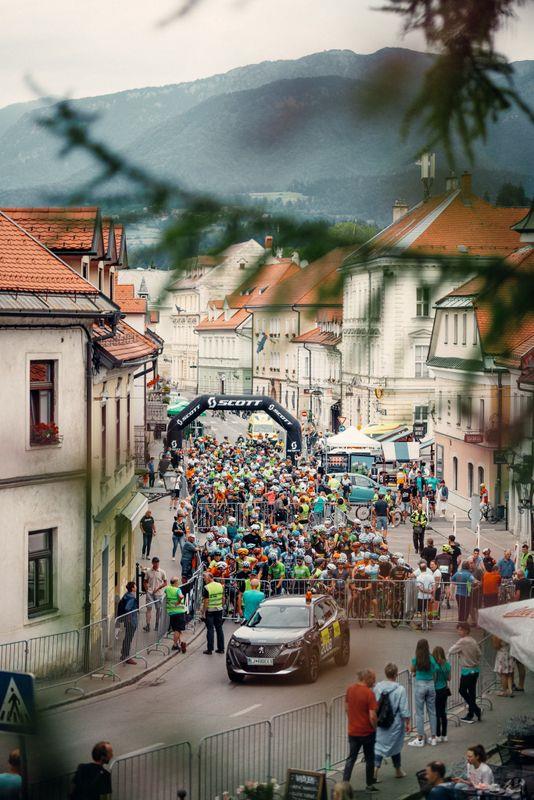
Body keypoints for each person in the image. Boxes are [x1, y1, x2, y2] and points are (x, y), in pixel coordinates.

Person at [373, 663, 410, 782]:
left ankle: (375, 770)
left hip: (380, 721)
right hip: (395, 722)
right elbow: (404, 709)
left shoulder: (378, 687)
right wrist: (407, 722)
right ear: (396, 674)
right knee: (396, 746)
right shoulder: (400, 689)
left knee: (379, 747)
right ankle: (398, 770)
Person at [342, 669, 378, 792]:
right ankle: (369, 785)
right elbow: (372, 716)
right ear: (367, 678)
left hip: (353, 732)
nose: (374, 682)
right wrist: (375, 727)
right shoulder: (369, 693)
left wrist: (352, 721)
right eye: (373, 679)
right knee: (369, 758)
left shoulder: (350, 689)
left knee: (351, 758)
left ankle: (344, 785)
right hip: (367, 733)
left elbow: (346, 708)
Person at [448, 623, 481, 723]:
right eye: (458, 629)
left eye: (460, 629)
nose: (459, 632)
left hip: (467, 671)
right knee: (471, 692)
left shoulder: (462, 641)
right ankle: (471, 713)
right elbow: (479, 653)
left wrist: (461, 652)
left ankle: (475, 709)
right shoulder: (473, 640)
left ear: (466, 630)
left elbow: (451, 650)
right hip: (475, 670)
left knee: (462, 690)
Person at [409, 639, 438, 747]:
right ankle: (433, 738)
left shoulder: (416, 659)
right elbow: (435, 670)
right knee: (432, 712)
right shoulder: (431, 658)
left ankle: (420, 738)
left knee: (419, 713)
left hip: (420, 685)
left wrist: (416, 672)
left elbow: (412, 669)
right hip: (430, 684)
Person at [202, 572, 224, 655]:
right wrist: (221, 606)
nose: (204, 580)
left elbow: (206, 601)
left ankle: (210, 649)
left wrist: (203, 612)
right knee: (219, 629)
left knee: (210, 630)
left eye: (205, 578)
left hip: (210, 611)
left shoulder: (207, 587)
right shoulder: (220, 585)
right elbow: (223, 598)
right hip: (219, 609)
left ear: (209, 578)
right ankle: (221, 648)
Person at [143, 557, 167, 632]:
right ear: (152, 563)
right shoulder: (148, 572)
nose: (156, 564)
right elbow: (145, 581)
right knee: (149, 609)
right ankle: (148, 625)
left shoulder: (162, 572)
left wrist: (158, 588)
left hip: (158, 593)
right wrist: (147, 589)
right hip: (150, 593)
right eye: (155, 562)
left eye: (157, 562)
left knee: (158, 609)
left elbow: (165, 583)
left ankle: (157, 624)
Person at [432, 646, 451, 743]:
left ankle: (438, 735)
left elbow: (434, 680)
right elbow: (449, 678)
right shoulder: (447, 665)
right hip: (444, 690)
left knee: (437, 713)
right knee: (443, 713)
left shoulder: (435, 666)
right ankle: (445, 735)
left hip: (436, 691)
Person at [164, 576, 187, 653]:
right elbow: (181, 596)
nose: (179, 583)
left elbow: (165, 593)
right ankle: (175, 644)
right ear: (175, 582)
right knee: (178, 629)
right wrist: (178, 602)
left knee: (177, 629)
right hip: (179, 612)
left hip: (171, 612)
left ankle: (181, 642)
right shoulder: (178, 590)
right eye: (178, 582)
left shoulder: (167, 589)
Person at [118, 581, 138, 665]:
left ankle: (124, 654)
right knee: (128, 638)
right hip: (131, 621)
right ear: (132, 588)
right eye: (135, 586)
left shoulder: (126, 595)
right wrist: (130, 620)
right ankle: (126, 656)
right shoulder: (132, 597)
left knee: (127, 638)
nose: (136, 587)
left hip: (128, 620)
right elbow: (127, 608)